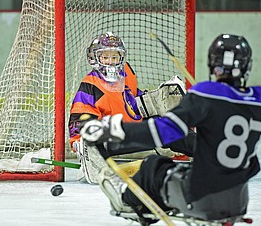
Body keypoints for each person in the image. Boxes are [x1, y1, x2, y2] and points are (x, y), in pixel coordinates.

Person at [80, 34, 260, 221]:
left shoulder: (205, 93)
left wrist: (116, 130)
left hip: (200, 199)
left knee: (153, 166)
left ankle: (127, 200)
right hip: (239, 201)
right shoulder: (258, 98)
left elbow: (162, 131)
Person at [68, 32, 193, 184]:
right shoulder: (90, 86)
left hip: (135, 131)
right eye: (105, 57)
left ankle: (209, 152)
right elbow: (80, 123)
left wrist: (157, 101)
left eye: (114, 57)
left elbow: (132, 102)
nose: (110, 62)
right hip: (113, 138)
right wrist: (80, 143)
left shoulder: (126, 73)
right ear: (95, 58)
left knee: (172, 129)